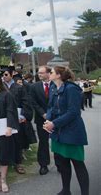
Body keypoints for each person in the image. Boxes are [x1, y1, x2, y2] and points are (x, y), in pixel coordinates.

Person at [44, 66, 89, 195]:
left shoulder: (71, 89)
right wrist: (48, 120)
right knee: (62, 163)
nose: (49, 74)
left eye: (51, 72)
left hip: (72, 132)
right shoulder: (53, 87)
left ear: (58, 75)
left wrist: (54, 123)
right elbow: (51, 107)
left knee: (78, 164)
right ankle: (66, 190)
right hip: (58, 132)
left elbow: (73, 112)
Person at [1, 66, 32, 175]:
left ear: (11, 74)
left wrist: (23, 116)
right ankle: (6, 162)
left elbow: (26, 102)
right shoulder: (1, 87)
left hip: (17, 118)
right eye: (3, 75)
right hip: (3, 118)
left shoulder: (19, 87)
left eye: (6, 74)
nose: (4, 77)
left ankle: (18, 163)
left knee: (17, 141)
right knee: (4, 141)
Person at [30, 66, 52, 175]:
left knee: (58, 141)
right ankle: (43, 165)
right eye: (39, 73)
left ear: (48, 73)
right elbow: (33, 102)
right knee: (43, 142)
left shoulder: (55, 85)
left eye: (42, 73)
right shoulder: (34, 87)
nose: (39, 75)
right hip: (41, 118)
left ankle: (60, 163)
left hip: (56, 118)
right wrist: (43, 113)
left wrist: (51, 114)